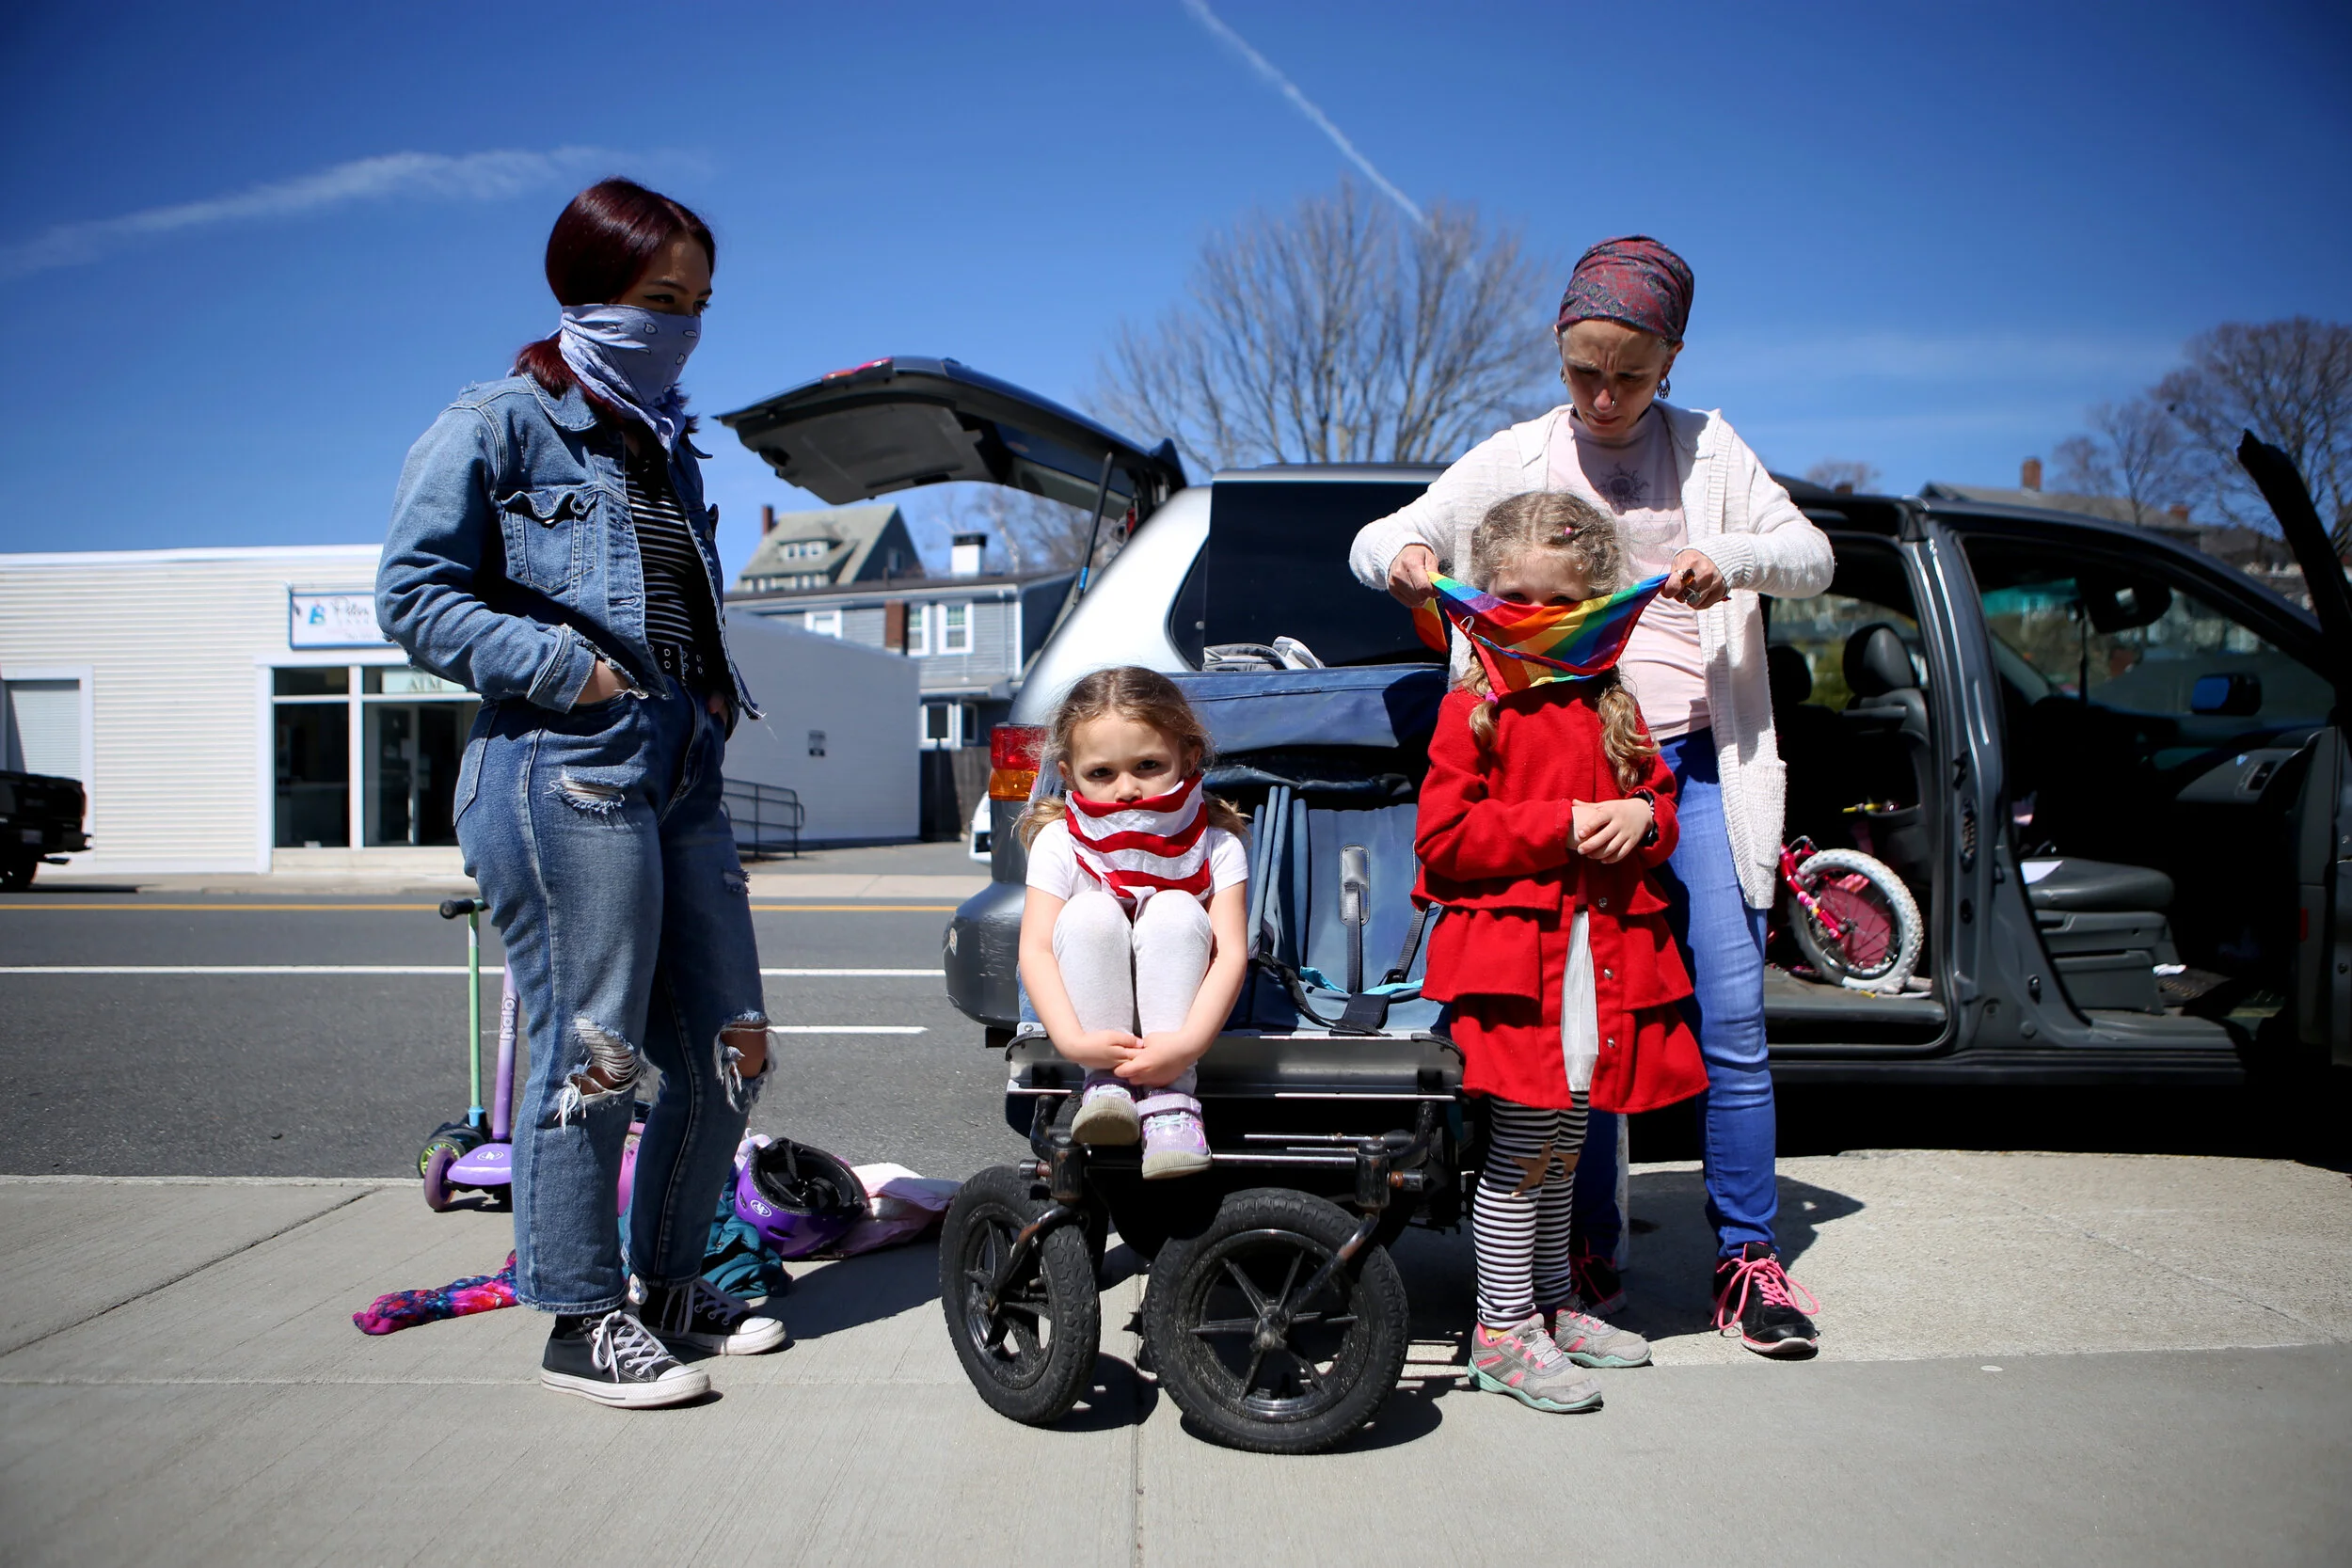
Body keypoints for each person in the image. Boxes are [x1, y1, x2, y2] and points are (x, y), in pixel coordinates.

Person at [1353, 236, 1835, 1356]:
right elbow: (1383, 536)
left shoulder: (1711, 449)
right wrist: (1407, 563)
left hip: (1690, 761)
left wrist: (1732, 557)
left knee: (1729, 1019)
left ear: (1670, 358)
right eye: (1583, 370)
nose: (1604, 395)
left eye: (1629, 371)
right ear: (1558, 353)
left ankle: (1745, 1259)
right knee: (1583, 1024)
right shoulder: (1519, 451)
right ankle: (1583, 1254)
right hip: (1562, 763)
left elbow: (1808, 553)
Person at [377, 179, 784, 1408]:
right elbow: (413, 591)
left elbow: (672, 599)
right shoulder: (499, 422)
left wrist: (706, 694)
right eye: (663, 300)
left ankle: (667, 1286)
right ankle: (577, 1314)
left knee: (731, 1052)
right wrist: (577, 669)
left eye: (700, 305)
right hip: (565, 766)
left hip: (682, 773)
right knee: (595, 1053)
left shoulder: (668, 442)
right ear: (590, 290)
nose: (683, 327)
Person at [1415, 492, 1706, 1413]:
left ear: (1596, 602)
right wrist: (1564, 823)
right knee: (1523, 1143)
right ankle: (1501, 1327)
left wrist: (1641, 815)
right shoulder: (1474, 709)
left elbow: (1658, 809)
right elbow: (1444, 839)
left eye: (1556, 601)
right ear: (1481, 599)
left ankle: (1552, 1302)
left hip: (1599, 958)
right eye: (1513, 598)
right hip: (1517, 963)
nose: (1533, 619)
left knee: (1570, 1138)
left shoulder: (1613, 705)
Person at [1016, 667, 1252, 1179]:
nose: (1126, 789)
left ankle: (1171, 1100)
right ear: (1069, 771)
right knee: (1091, 910)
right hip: (1090, 1034)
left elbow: (1232, 952)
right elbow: (1035, 949)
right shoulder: (1062, 841)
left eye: (1148, 765)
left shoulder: (1216, 844)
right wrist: (1073, 1043)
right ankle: (1105, 1087)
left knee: (1174, 908)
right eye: (1102, 773)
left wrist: (1186, 1047)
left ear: (1188, 758)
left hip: (1183, 1028)